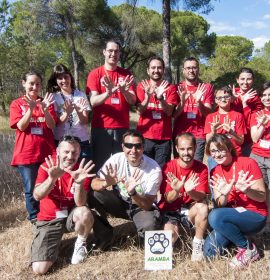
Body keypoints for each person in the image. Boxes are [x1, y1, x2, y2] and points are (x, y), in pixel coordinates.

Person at [31, 136, 95, 275]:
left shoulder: (81, 170)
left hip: (70, 216)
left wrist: (78, 183)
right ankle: (51, 244)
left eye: (74, 152)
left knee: (84, 212)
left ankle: (80, 243)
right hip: (49, 219)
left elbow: (80, 203)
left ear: (79, 153)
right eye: (66, 152)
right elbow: (37, 195)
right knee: (39, 270)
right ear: (58, 151)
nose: (70, 156)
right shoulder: (47, 166)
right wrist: (51, 178)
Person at [204, 134, 267, 268]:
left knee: (214, 215)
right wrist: (224, 194)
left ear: (229, 148)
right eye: (213, 151)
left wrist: (246, 190)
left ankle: (247, 248)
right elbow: (221, 204)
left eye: (221, 149)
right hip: (232, 216)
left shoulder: (248, 163)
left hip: (255, 215)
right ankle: (239, 237)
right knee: (209, 252)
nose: (217, 154)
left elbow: (262, 197)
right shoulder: (215, 171)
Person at [89, 129, 162, 242]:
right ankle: (105, 235)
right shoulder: (116, 159)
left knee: (149, 226)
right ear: (123, 147)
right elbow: (94, 184)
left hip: (140, 206)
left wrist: (132, 192)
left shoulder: (154, 169)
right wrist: (106, 183)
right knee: (94, 195)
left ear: (143, 147)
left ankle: (142, 240)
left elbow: (147, 205)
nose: (133, 150)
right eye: (129, 145)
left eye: (138, 146)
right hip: (120, 202)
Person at [10, 70, 57, 222]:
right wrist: (30, 109)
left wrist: (45, 110)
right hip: (27, 154)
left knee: (49, 185)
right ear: (24, 83)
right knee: (30, 190)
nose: (34, 87)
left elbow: (52, 125)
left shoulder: (46, 102)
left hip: (47, 153)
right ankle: (35, 219)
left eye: (37, 84)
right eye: (31, 83)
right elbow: (21, 126)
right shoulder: (17, 104)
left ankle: (48, 215)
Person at [86, 40, 136, 171]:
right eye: (110, 51)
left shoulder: (126, 74)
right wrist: (108, 93)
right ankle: (98, 191)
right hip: (101, 128)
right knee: (99, 163)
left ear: (119, 54)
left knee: (122, 164)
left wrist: (124, 90)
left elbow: (132, 100)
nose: (113, 54)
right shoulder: (95, 74)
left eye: (116, 51)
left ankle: (119, 191)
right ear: (104, 52)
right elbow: (93, 101)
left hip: (122, 128)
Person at [158, 133, 209, 261]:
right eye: (182, 149)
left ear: (196, 147)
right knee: (170, 237)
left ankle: (197, 244)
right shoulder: (168, 167)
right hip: (171, 211)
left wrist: (189, 190)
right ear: (176, 149)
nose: (186, 152)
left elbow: (201, 196)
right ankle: (164, 257)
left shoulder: (202, 168)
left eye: (190, 148)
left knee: (203, 207)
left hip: (189, 210)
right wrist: (177, 190)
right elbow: (168, 199)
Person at [136, 56, 178, 167]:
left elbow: (169, 112)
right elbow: (140, 111)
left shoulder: (171, 88)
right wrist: (147, 96)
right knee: (143, 170)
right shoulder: (141, 86)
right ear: (148, 70)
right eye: (153, 67)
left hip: (164, 139)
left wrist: (160, 98)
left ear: (163, 70)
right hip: (144, 137)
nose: (156, 70)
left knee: (161, 171)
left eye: (159, 68)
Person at [173, 57, 214, 162]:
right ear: (183, 70)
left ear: (198, 69)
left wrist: (199, 102)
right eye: (188, 68)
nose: (191, 70)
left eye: (194, 68)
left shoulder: (206, 87)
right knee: (179, 166)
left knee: (195, 167)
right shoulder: (177, 88)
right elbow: (174, 115)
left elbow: (209, 114)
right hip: (180, 134)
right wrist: (182, 102)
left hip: (198, 136)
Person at [47, 64, 91, 161]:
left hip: (81, 141)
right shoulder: (53, 97)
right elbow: (55, 124)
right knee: (63, 173)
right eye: (60, 78)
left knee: (84, 171)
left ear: (70, 77)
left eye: (66, 77)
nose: (64, 81)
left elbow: (84, 121)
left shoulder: (81, 95)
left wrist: (79, 112)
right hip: (61, 142)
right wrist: (66, 113)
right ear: (56, 80)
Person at [204, 86, 246, 170]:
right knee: (216, 181)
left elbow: (241, 141)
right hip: (216, 156)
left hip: (234, 154)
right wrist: (213, 131)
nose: (223, 100)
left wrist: (231, 132)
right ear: (215, 100)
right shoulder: (210, 117)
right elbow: (208, 141)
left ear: (231, 98)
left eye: (226, 97)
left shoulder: (238, 116)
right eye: (219, 98)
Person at [250, 82, 270, 231]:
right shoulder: (256, 114)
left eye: (269, 95)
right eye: (263, 95)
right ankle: (266, 222)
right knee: (263, 191)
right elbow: (255, 138)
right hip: (258, 156)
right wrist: (262, 125)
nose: (267, 98)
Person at [231, 67, 263, 156]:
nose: (245, 82)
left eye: (248, 79)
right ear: (237, 80)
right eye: (242, 79)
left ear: (253, 81)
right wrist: (230, 102)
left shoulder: (257, 98)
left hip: (247, 140)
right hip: (230, 139)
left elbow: (251, 122)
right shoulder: (231, 93)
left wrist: (244, 104)